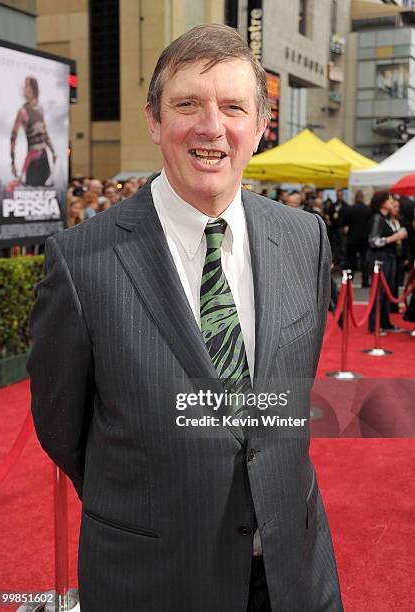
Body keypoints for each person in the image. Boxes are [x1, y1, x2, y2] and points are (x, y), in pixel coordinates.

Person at [27, 24, 342, 612]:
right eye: (187, 104)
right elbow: (61, 426)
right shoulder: (81, 262)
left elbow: (287, 395)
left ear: (261, 125)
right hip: (153, 576)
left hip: (293, 571)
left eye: (233, 107)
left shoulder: (306, 238)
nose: (211, 127)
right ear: (154, 119)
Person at [367, 191, 407, 332]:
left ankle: (384, 323)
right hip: (380, 258)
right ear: (382, 202)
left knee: (385, 291)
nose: (392, 202)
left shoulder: (385, 218)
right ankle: (374, 325)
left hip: (388, 258)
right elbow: (373, 241)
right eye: (389, 200)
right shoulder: (378, 218)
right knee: (379, 292)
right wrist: (394, 237)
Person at [10, 76, 56, 186]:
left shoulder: (40, 110)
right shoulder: (22, 111)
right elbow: (13, 137)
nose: (27, 89)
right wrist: (13, 162)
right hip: (33, 158)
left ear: (34, 88)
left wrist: (53, 152)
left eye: (29, 85)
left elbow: (45, 134)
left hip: (44, 157)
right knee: (32, 188)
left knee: (45, 189)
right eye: (26, 86)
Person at [344, 190, 372, 288]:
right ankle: (365, 281)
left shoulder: (350, 208)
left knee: (351, 260)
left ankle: (350, 280)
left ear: (355, 197)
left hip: (352, 238)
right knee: (365, 260)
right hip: (364, 238)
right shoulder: (368, 209)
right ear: (363, 197)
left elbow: (344, 222)